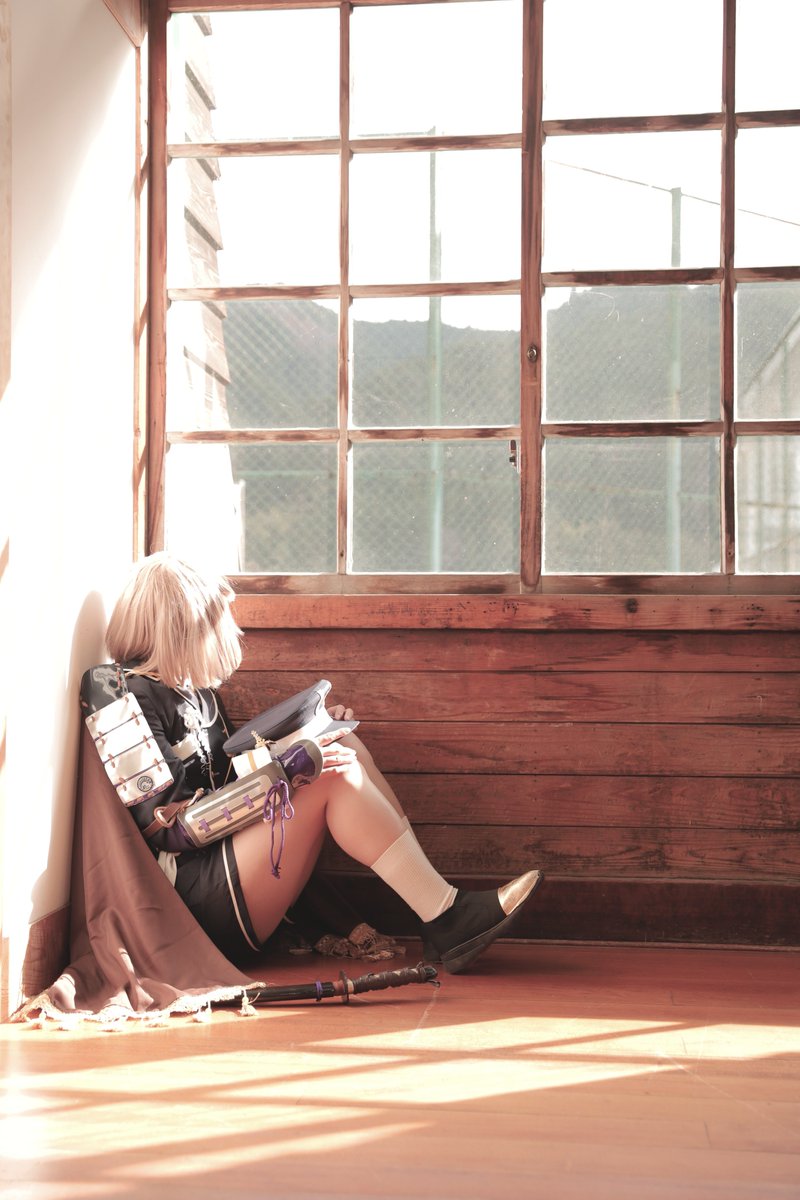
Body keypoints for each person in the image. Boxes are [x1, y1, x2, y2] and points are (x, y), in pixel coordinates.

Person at [103, 553, 543, 975]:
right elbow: (171, 830)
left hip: (223, 867)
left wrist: (309, 737)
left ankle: (436, 911)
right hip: (192, 899)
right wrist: (290, 768)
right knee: (330, 772)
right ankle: (448, 917)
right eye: (214, 620)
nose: (227, 629)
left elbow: (230, 775)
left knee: (341, 743)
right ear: (182, 627)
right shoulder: (121, 694)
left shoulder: (196, 693)